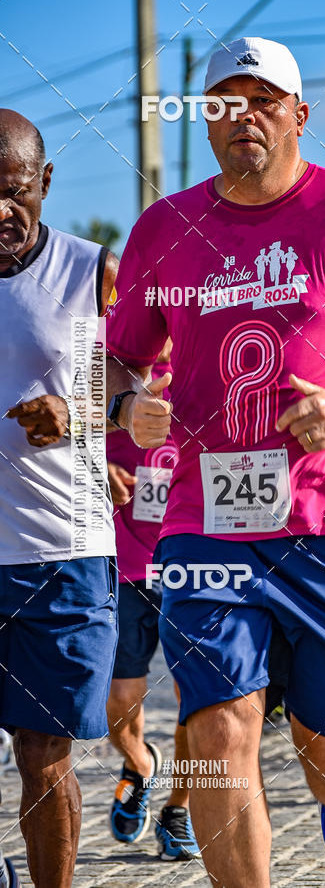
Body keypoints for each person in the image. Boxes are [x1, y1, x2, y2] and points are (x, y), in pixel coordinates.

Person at [105, 37, 325, 888]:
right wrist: (124, 404)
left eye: (263, 100)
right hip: (206, 526)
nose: (244, 116)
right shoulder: (164, 228)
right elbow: (115, 357)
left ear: (299, 116)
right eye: (224, 102)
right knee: (221, 732)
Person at [0, 109, 117, 886]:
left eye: (12, 192)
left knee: (44, 760)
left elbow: (155, 390)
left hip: (60, 555)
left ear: (44, 184)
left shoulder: (92, 271)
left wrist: (78, 414)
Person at [106, 339, 200, 861]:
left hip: (197, 559)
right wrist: (103, 471)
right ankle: (140, 764)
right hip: (126, 563)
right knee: (120, 700)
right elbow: (60, 436)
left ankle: (178, 810)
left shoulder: (204, 358)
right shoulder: (111, 366)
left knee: (201, 700)